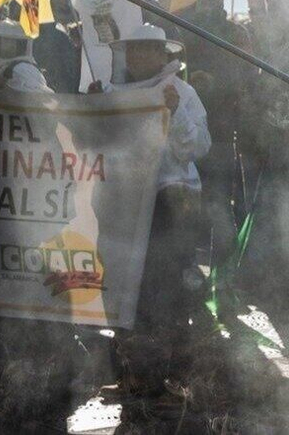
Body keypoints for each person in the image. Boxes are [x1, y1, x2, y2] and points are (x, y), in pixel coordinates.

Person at [96, 24, 210, 343]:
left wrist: (175, 113)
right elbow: (92, 144)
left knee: (167, 277)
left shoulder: (183, 93)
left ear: (162, 54)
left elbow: (198, 147)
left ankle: (172, 357)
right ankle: (133, 356)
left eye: (147, 48)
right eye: (134, 48)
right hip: (123, 200)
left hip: (171, 200)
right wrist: (91, 110)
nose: (139, 55)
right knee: (126, 276)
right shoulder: (109, 92)